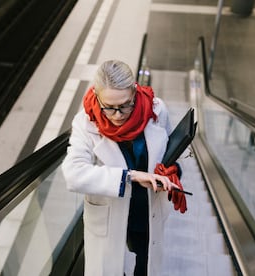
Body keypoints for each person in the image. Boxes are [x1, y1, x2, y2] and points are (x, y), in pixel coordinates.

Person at [62, 60, 186, 276]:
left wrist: (173, 170)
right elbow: (73, 174)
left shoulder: (156, 110)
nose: (118, 115)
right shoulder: (85, 123)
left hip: (147, 211)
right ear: (97, 96)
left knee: (145, 265)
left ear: (135, 91)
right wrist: (130, 177)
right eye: (109, 107)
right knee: (111, 268)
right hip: (110, 215)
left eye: (125, 105)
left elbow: (172, 151)